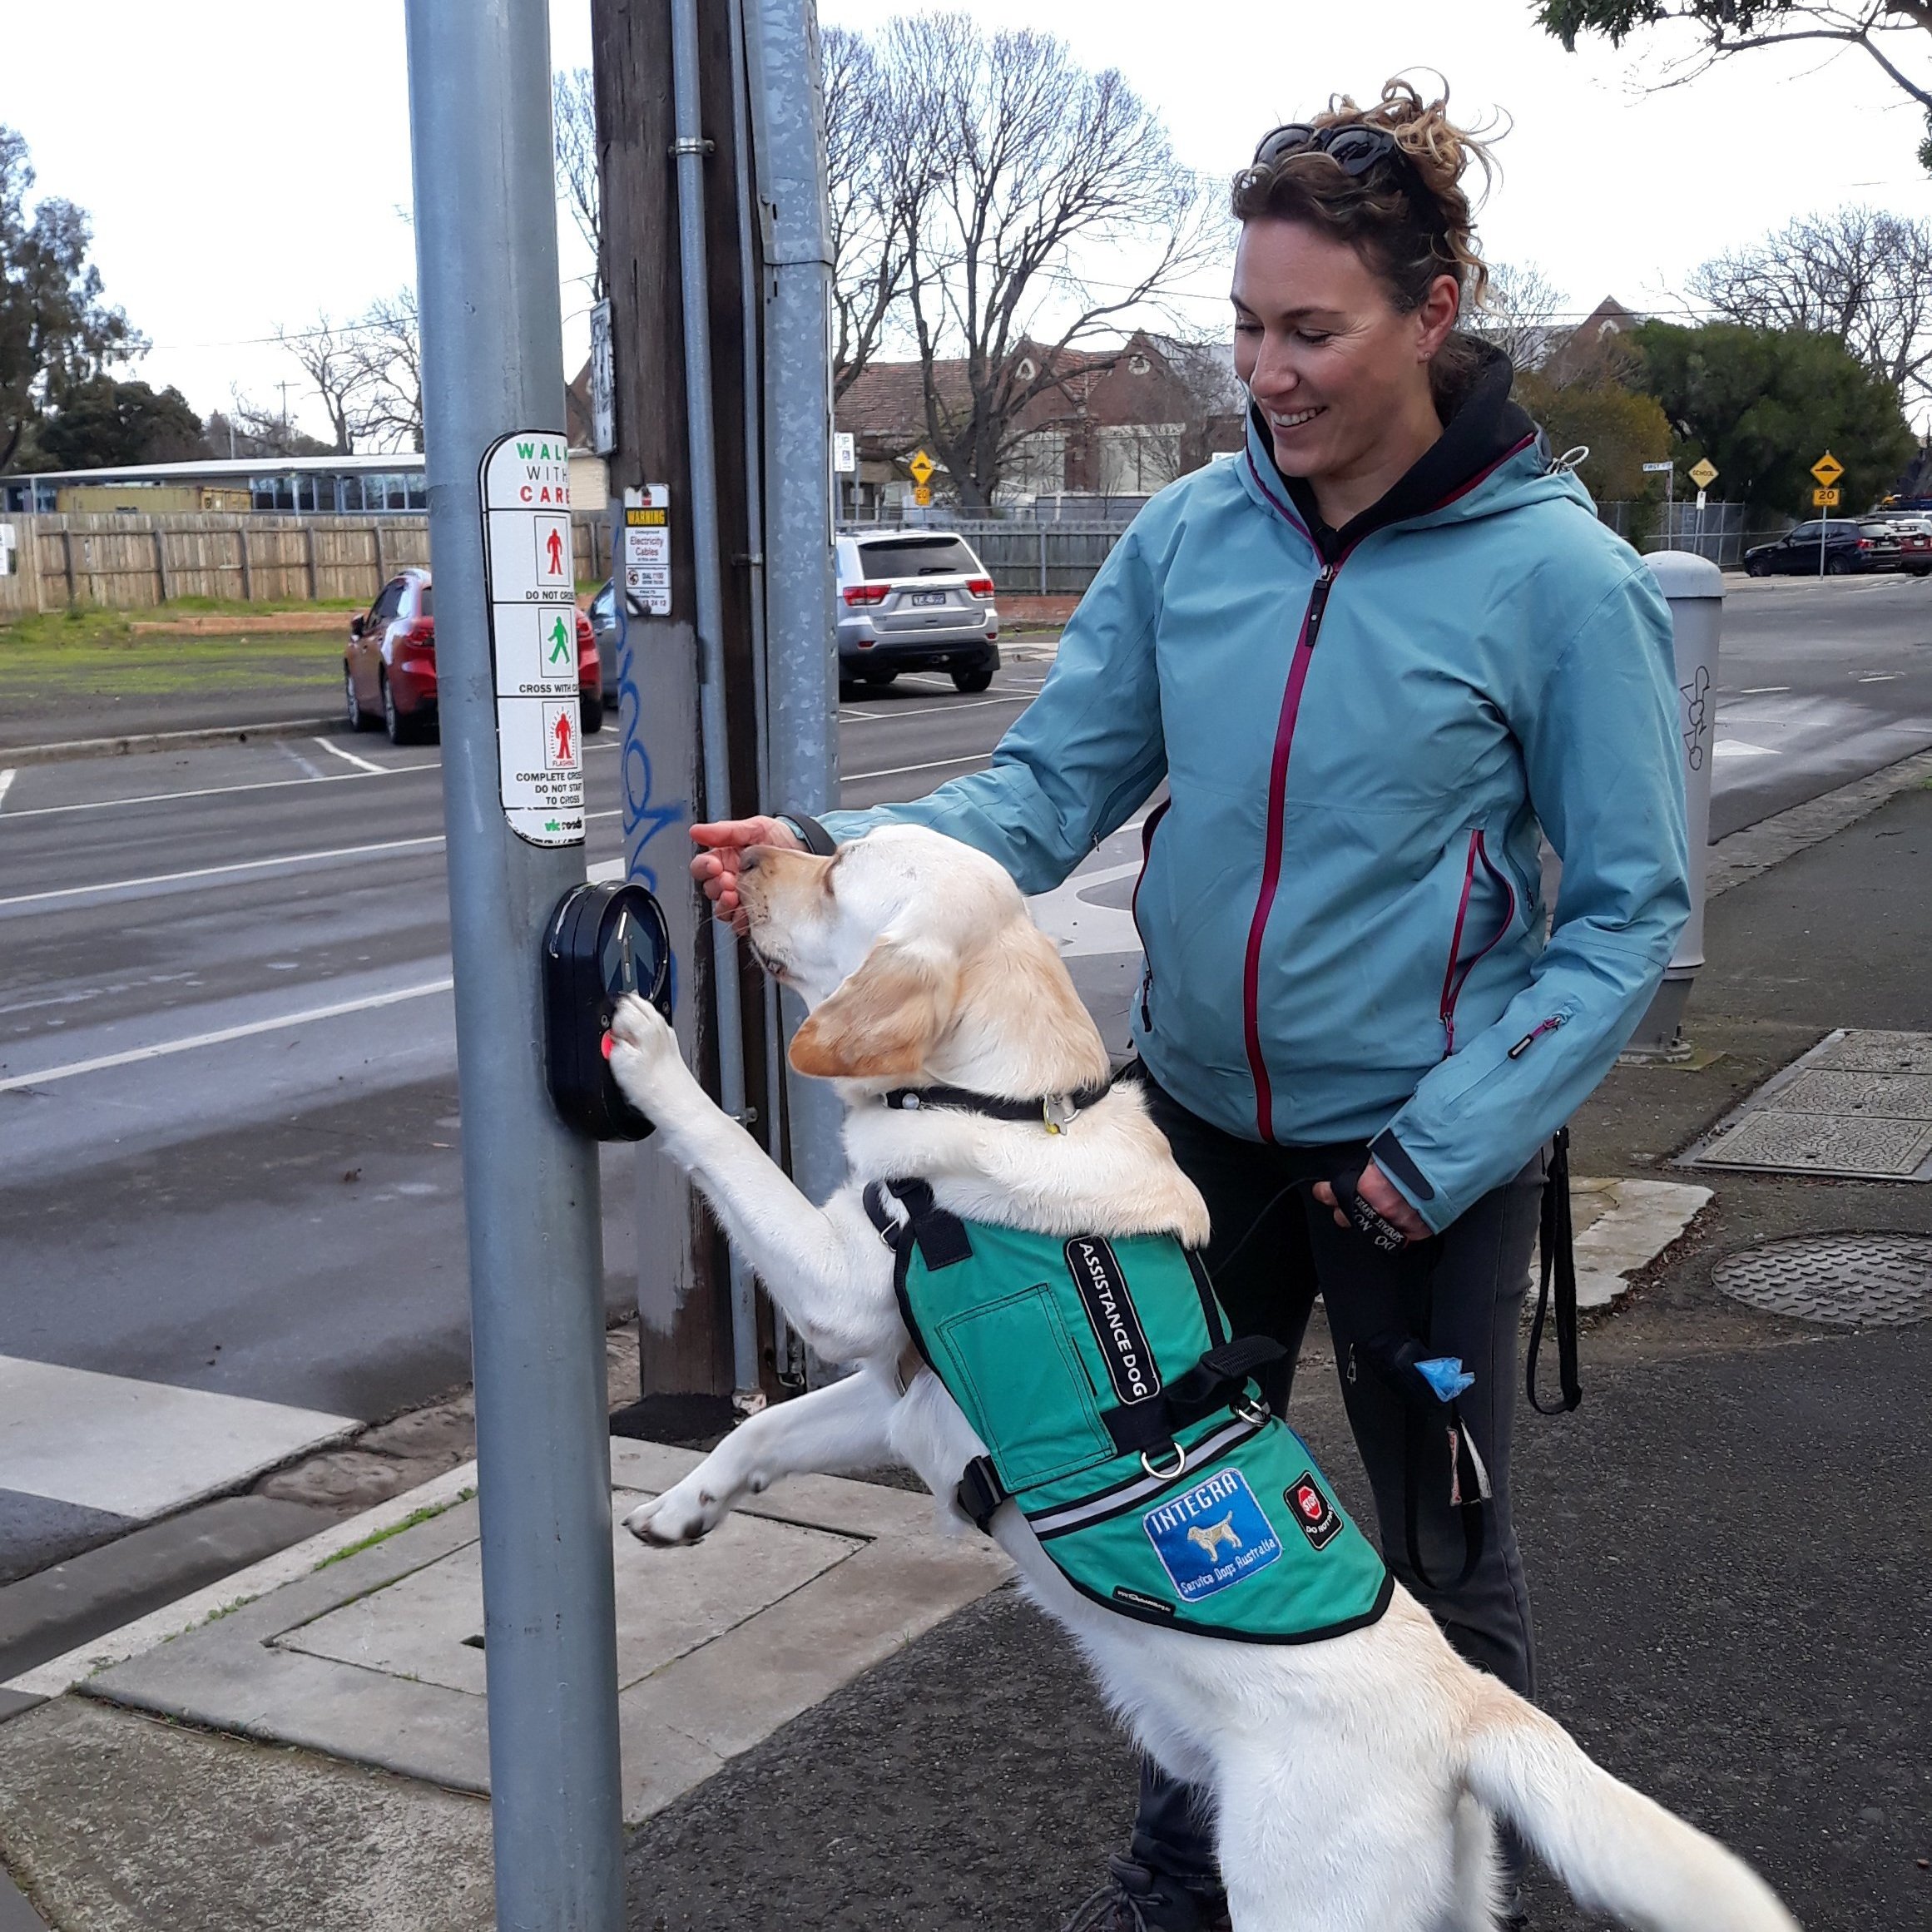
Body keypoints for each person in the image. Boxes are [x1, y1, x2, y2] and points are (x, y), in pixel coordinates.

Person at [689, 79, 1689, 1932]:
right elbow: (1043, 794)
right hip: (1188, 1140)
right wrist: (833, 855)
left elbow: (1627, 922)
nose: (1269, 369)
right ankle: (1181, 1896)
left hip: (1421, 1164)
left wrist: (1441, 1147)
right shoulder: (1194, 541)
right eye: (1246, 324)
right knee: (1171, 1542)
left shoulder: (1561, 583)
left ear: (1433, 312)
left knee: (1441, 1581)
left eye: (1311, 329)